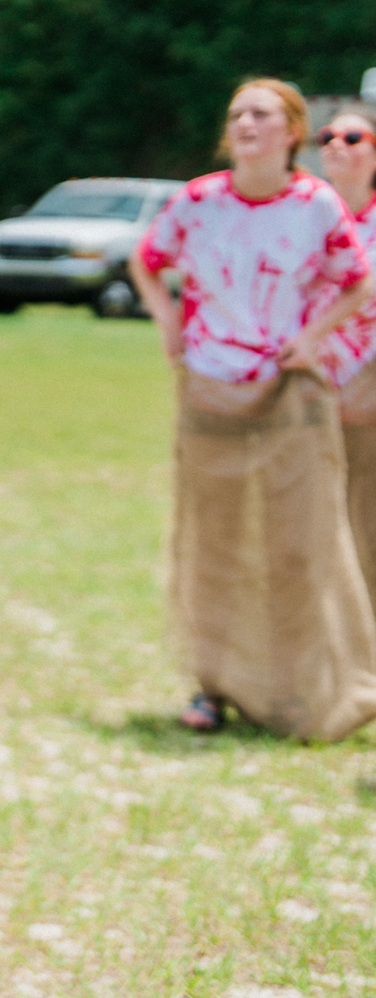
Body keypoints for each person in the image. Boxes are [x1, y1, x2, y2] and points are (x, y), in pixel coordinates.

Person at [129, 80, 376, 741]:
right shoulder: (200, 200)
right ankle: (212, 688)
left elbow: (356, 282)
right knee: (214, 544)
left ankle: (296, 690)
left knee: (298, 544)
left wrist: (311, 337)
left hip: (290, 394)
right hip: (211, 390)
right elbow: (148, 258)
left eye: (261, 114)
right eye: (237, 113)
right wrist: (168, 323)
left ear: (291, 131)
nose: (244, 123)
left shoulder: (315, 204)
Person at [319, 112, 376, 592]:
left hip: (369, 395)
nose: (338, 144)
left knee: (366, 521)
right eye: (328, 136)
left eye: (353, 136)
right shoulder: (308, 217)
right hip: (308, 390)